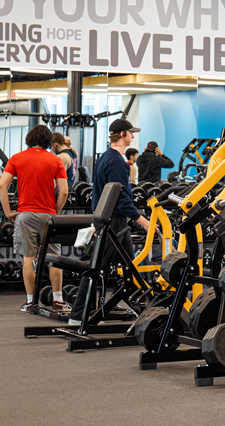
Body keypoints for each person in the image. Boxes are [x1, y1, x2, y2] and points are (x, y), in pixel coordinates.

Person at [68, 119, 151, 325]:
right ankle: (77, 317)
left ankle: (144, 312)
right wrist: (143, 221)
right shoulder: (117, 162)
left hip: (112, 221)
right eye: (131, 133)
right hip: (113, 223)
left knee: (130, 267)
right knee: (96, 268)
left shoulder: (105, 157)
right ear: (123, 134)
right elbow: (121, 199)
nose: (133, 136)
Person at [0, 125, 68, 313]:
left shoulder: (16, 158)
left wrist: (8, 212)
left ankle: (31, 302)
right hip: (48, 216)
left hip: (25, 215)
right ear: (48, 141)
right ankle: (58, 300)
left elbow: (1, 185)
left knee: (28, 258)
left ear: (29, 139)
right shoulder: (55, 160)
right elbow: (64, 192)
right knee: (54, 258)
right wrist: (54, 212)